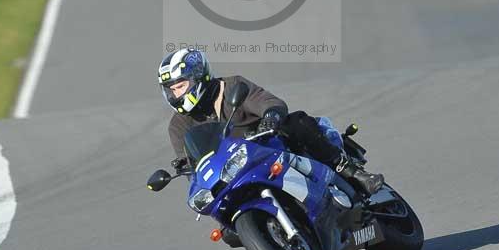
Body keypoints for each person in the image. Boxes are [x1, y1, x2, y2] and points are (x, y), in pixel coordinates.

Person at [159, 47, 384, 197]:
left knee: (296, 122)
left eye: (180, 86)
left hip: (270, 145)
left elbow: (269, 102)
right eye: (171, 90)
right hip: (237, 172)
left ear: (198, 77)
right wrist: (185, 166)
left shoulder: (232, 86)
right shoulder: (178, 125)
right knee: (226, 229)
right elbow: (192, 168)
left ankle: (353, 173)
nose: (176, 94)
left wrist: (271, 117)